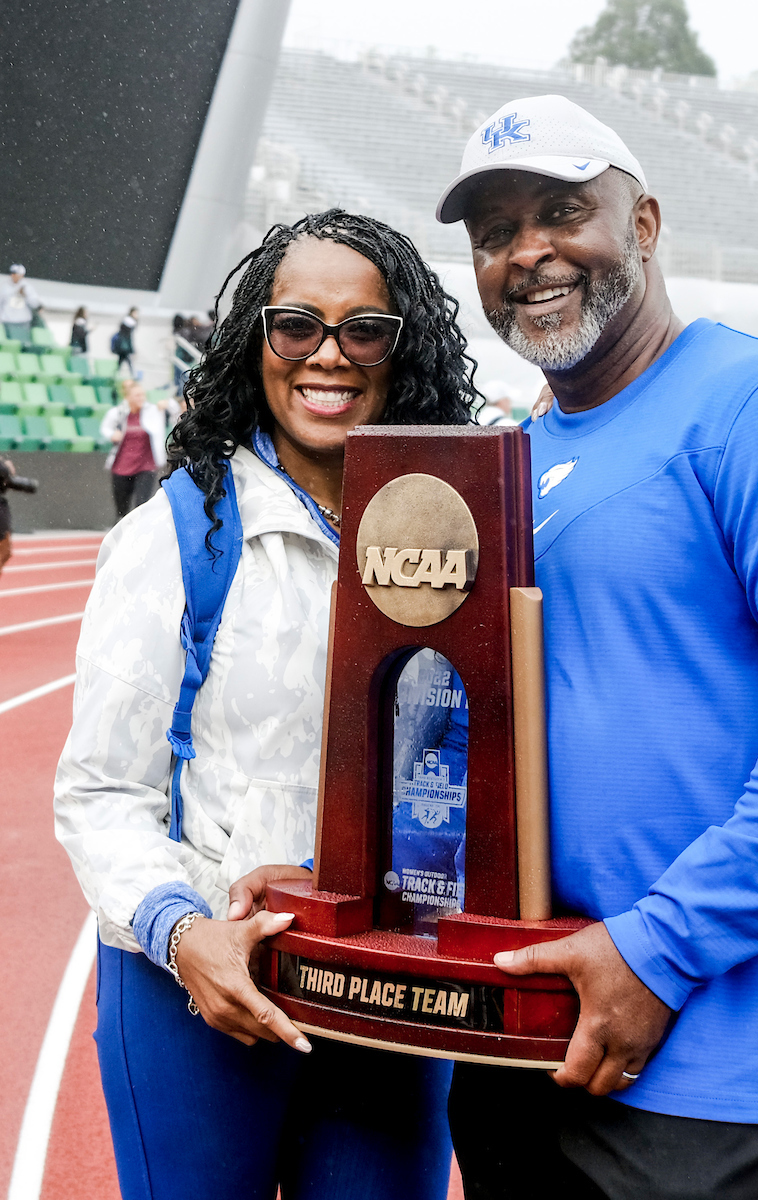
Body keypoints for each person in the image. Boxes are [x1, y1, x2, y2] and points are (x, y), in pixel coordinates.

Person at [435, 94, 758, 1200]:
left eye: (563, 211)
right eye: (492, 234)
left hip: (714, 1079)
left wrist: (657, 950)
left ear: (648, 224)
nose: (527, 254)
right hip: (525, 1037)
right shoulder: (516, 453)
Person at [54, 209, 476, 1200]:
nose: (329, 355)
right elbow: (99, 792)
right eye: (297, 325)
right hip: (197, 992)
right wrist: (181, 931)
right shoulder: (181, 536)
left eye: (364, 329)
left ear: (398, 351)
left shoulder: (457, 532)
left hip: (391, 988)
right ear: (258, 342)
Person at [100, 379, 168, 520]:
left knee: (142, 505)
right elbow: (105, 427)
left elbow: (171, 409)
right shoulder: (118, 413)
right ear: (128, 397)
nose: (141, 398)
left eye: (142, 395)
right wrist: (112, 434)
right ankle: (120, 535)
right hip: (122, 465)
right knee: (121, 509)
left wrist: (165, 406)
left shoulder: (152, 411)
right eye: (137, 395)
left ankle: (139, 536)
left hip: (146, 465)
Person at [0, 264, 40, 343]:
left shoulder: (28, 287)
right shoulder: (4, 287)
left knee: (23, 344)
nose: (15, 277)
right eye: (13, 274)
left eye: (18, 275)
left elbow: (35, 304)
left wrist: (25, 295)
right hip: (7, 321)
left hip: (22, 322)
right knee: (9, 344)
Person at [112, 305, 138, 374]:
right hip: (124, 345)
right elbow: (128, 337)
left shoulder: (126, 321)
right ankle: (132, 374)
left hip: (122, 344)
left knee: (121, 360)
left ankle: (116, 373)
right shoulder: (129, 322)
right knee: (127, 359)